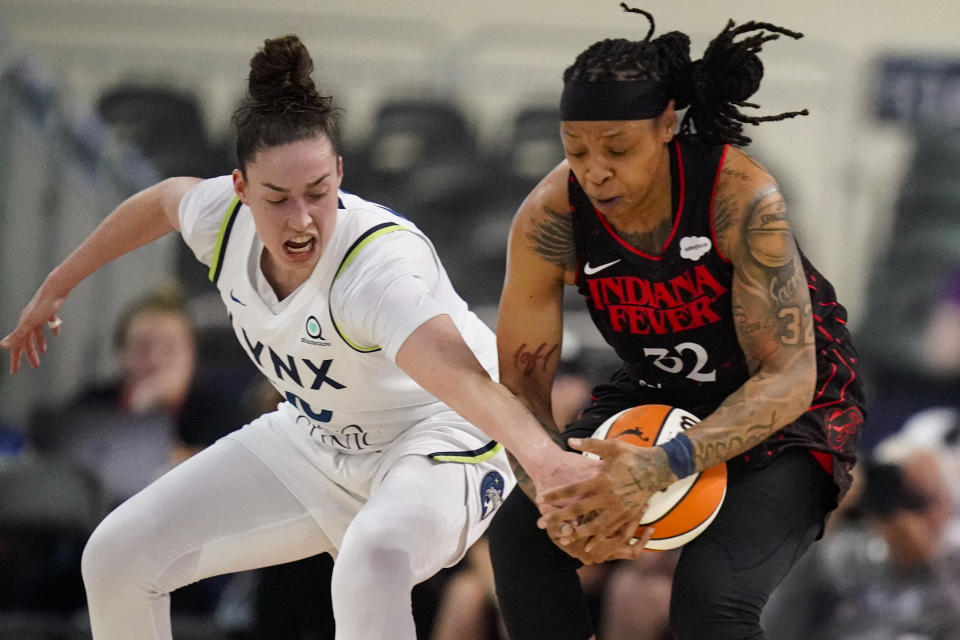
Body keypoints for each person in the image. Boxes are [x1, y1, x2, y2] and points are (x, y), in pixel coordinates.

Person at [0, 35, 598, 640]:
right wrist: (58, 283)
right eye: (278, 199)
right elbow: (160, 201)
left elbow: (468, 381)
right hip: (318, 437)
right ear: (239, 189)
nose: (303, 218)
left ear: (339, 171)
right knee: (114, 556)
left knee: (374, 560)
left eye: (318, 191)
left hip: (441, 435)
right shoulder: (218, 220)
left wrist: (546, 462)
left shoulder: (375, 271)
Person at [486, 5, 866, 639]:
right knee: (522, 537)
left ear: (667, 125)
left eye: (617, 147)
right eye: (575, 148)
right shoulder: (550, 218)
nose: (595, 169)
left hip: (792, 407)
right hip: (662, 387)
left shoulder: (738, 197)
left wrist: (663, 465)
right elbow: (521, 385)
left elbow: (789, 377)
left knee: (711, 604)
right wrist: (548, 485)